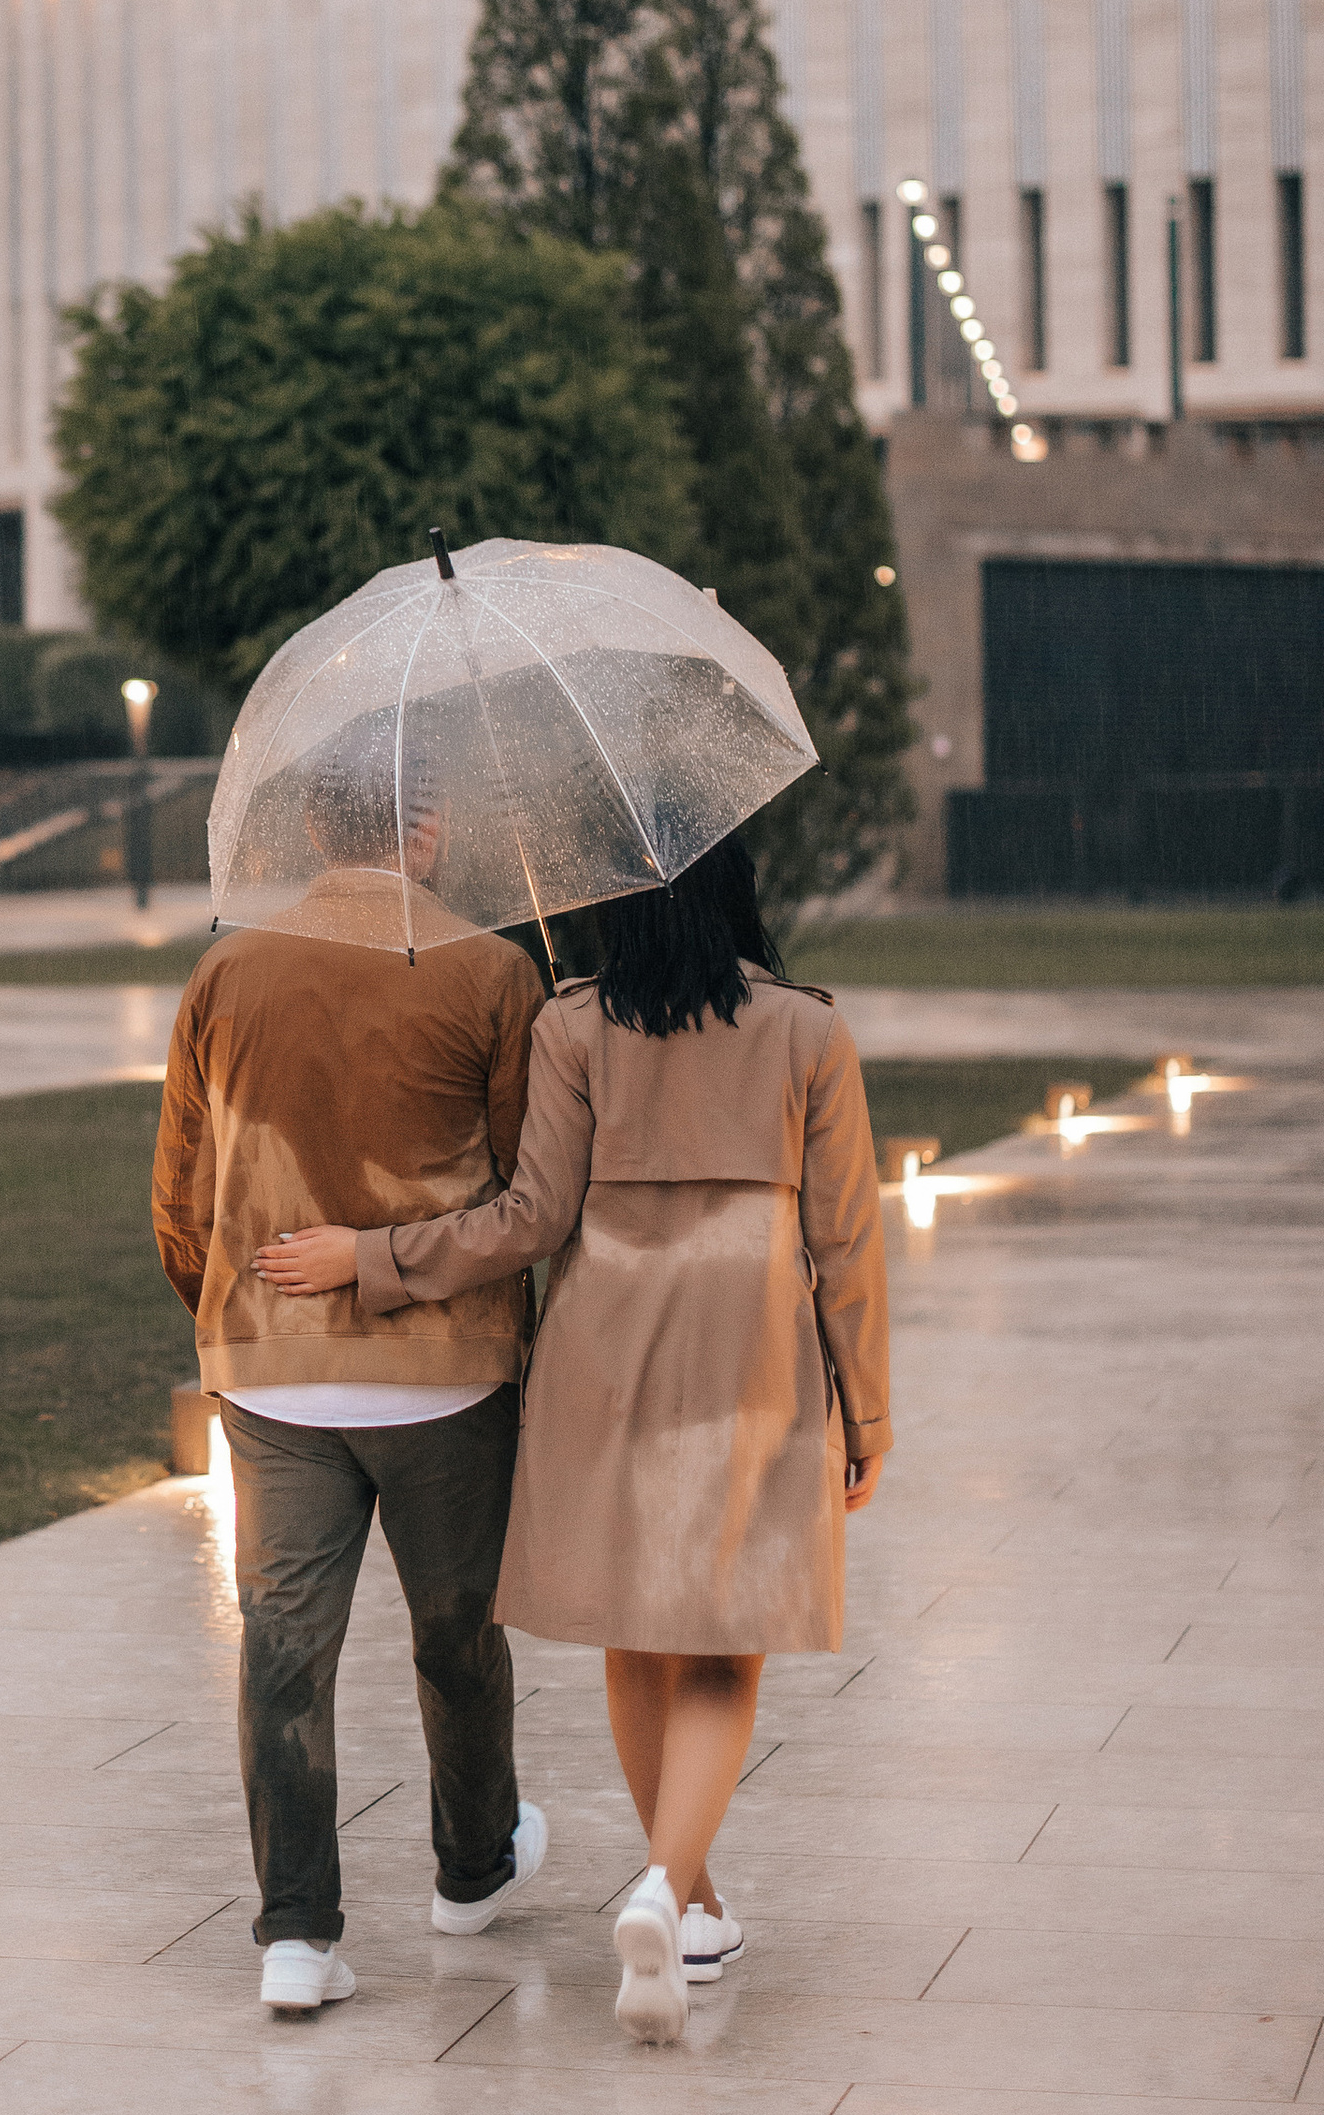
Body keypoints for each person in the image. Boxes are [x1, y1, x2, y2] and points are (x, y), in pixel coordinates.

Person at [257, 829, 890, 2045]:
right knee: (725, 1643)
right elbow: (846, 1243)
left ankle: (686, 1898)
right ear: (737, 891)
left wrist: (371, 1256)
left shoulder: (573, 1025)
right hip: (749, 1352)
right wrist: (866, 1408)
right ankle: (667, 1889)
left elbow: (527, 1219)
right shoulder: (808, 1034)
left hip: (601, 1351)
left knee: (633, 1633)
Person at [154, 728, 551, 2016]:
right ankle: (472, 1865)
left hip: (272, 1373)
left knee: (283, 1649)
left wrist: (233, 1315)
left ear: (319, 830)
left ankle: (295, 1932)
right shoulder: (494, 972)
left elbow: (181, 1193)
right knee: (459, 1632)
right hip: (447, 1369)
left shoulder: (227, 969)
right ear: (427, 828)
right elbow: (521, 1188)